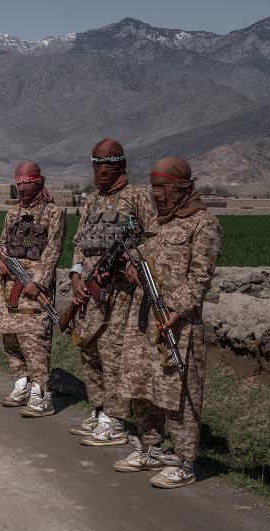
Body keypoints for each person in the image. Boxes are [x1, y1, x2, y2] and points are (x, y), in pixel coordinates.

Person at [113, 157, 221, 488]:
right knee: (141, 384)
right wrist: (131, 267)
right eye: (155, 189)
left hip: (178, 324)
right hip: (143, 317)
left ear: (184, 188)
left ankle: (186, 461)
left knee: (180, 392)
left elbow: (199, 279)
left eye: (164, 189)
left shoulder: (205, 225)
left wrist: (175, 309)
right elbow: (143, 256)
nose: (158, 196)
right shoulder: (161, 223)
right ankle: (151, 448)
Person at [67, 139, 156, 444]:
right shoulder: (91, 202)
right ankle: (99, 409)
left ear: (121, 165)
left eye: (107, 163)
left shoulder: (137, 197)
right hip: (89, 292)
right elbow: (79, 243)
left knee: (113, 352)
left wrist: (131, 260)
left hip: (120, 293)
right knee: (89, 350)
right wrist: (76, 277)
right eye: (96, 163)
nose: (101, 170)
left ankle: (116, 420)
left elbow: (156, 238)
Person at [0, 162, 66, 416]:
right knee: (10, 336)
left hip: (34, 288)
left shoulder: (53, 213)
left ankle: (41, 392)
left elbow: (54, 250)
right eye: (19, 184)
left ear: (39, 182)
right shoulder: (12, 213)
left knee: (34, 339)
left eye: (27, 184)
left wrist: (40, 282)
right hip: (9, 287)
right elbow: (2, 243)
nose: (22, 189)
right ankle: (21, 382)